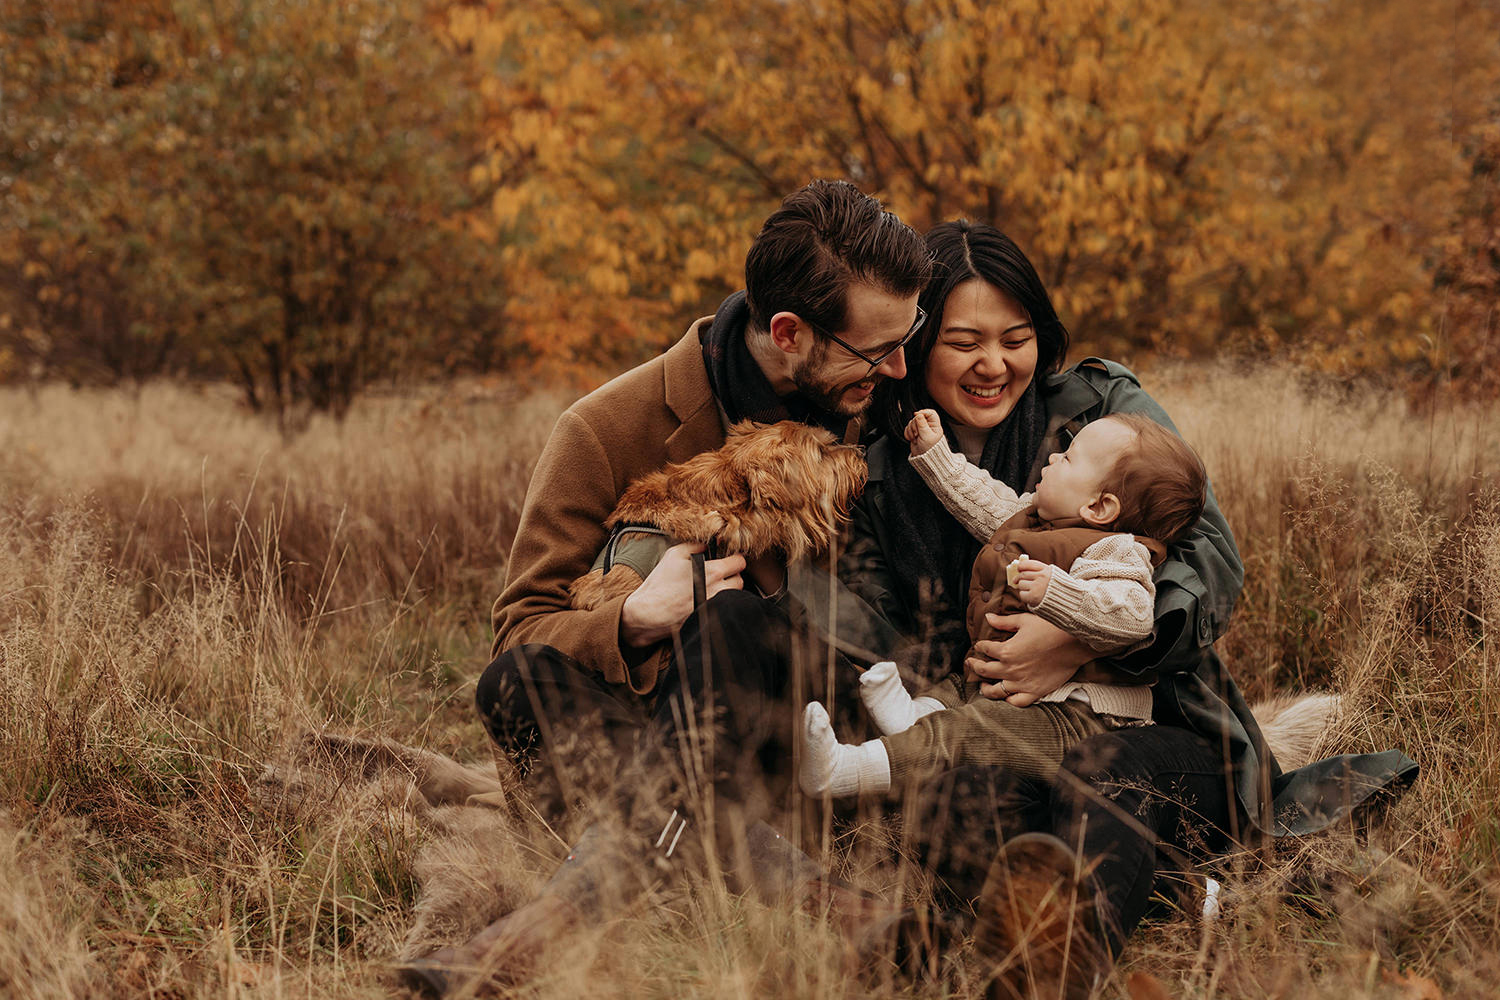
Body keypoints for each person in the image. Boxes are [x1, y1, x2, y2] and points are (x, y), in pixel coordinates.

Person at [838, 219, 1418, 997]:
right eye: (963, 341)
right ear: (916, 346)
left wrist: (1072, 641)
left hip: (1152, 728)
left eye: (1016, 338)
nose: (993, 364)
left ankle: (1062, 962)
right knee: (959, 799)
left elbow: (1209, 559)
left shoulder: (1100, 411)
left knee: (1099, 773)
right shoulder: (886, 472)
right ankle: (989, 934)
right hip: (998, 729)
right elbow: (884, 631)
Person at [399, 180, 933, 995]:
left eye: (909, 336)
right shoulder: (605, 428)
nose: (900, 366)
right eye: (875, 351)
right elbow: (520, 625)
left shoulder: (893, 404)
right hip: (670, 742)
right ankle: (820, 900)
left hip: (815, 747)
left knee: (735, 627)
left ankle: (548, 927)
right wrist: (635, 622)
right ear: (787, 333)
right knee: (514, 682)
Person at [800, 409, 1209, 796]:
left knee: (970, 732)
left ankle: (843, 771)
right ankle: (912, 719)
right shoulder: (1034, 520)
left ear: (1099, 507)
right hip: (1006, 693)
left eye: (1067, 458)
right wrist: (936, 455)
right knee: (953, 695)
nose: (1052, 457)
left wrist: (1058, 592)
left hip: (1079, 718)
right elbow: (982, 501)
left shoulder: (1116, 550)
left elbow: (1133, 616)